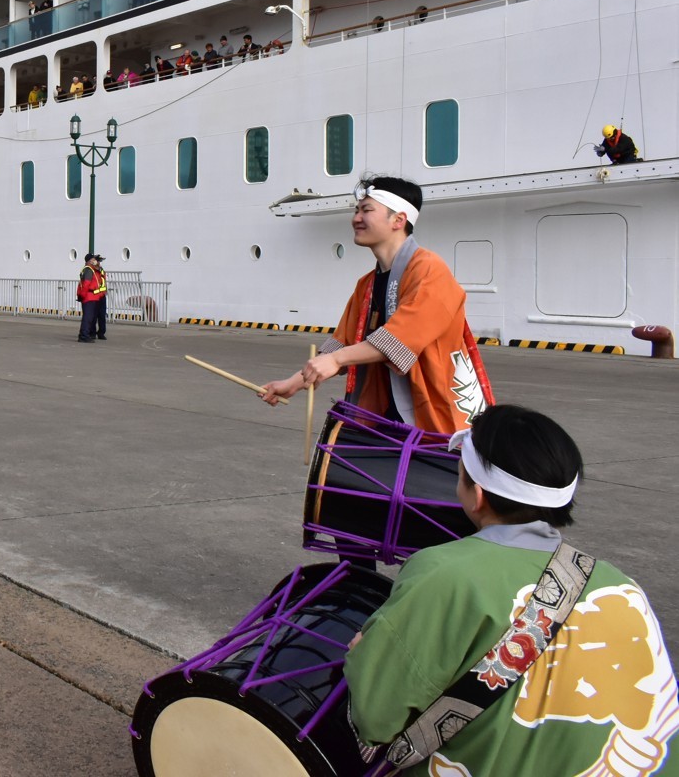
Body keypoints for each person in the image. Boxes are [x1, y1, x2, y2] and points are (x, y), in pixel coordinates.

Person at [345, 404, 678, 775]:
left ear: (478, 496)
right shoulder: (622, 585)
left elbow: (376, 718)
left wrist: (364, 657)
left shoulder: (444, 574)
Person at [259, 175, 492, 435]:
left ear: (399, 220)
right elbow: (342, 343)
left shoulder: (429, 270)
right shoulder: (367, 284)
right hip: (386, 416)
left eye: (367, 210)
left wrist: (337, 359)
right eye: (357, 210)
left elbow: (401, 338)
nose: (356, 218)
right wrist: (294, 383)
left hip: (434, 413)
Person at [76, 253, 102, 343]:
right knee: (88, 317)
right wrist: (83, 296)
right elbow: (86, 284)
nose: (95, 260)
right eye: (93, 259)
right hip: (89, 297)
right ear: (90, 260)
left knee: (89, 317)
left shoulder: (91, 269)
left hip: (91, 297)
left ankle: (84, 334)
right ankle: (84, 336)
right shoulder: (89, 270)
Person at [91, 253, 109, 341]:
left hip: (102, 296)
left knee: (102, 315)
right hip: (95, 296)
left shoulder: (101, 270)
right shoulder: (91, 270)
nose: (99, 263)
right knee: (94, 315)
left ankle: (101, 332)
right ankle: (93, 333)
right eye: (98, 261)